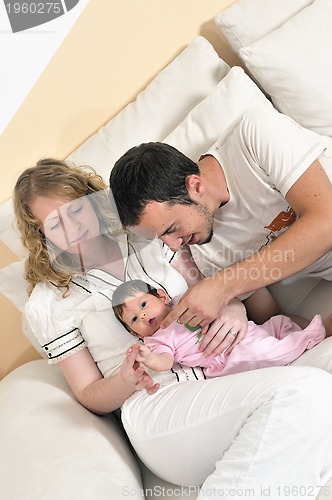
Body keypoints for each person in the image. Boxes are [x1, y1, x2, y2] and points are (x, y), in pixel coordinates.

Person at [14, 158, 332, 499]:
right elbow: (88, 393)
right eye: (55, 223)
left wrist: (235, 310)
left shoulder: (150, 237)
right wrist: (125, 380)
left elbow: (215, 294)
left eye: (76, 210)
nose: (73, 228)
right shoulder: (49, 302)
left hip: (232, 373)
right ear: (39, 232)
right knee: (306, 391)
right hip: (160, 409)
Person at [109, 106, 332, 333]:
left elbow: (326, 221)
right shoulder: (206, 253)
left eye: (171, 229)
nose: (175, 245)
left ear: (195, 186)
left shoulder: (254, 135)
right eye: (163, 239)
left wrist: (224, 285)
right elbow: (275, 321)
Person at [112, 279, 328, 376]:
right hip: (226, 356)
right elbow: (165, 361)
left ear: (162, 295)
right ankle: (313, 335)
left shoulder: (184, 299)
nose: (142, 315)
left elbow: (216, 299)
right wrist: (149, 359)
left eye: (143, 305)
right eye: (133, 319)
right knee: (259, 352)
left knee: (278, 323)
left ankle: (299, 335)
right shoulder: (158, 340)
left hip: (244, 330)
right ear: (135, 333)